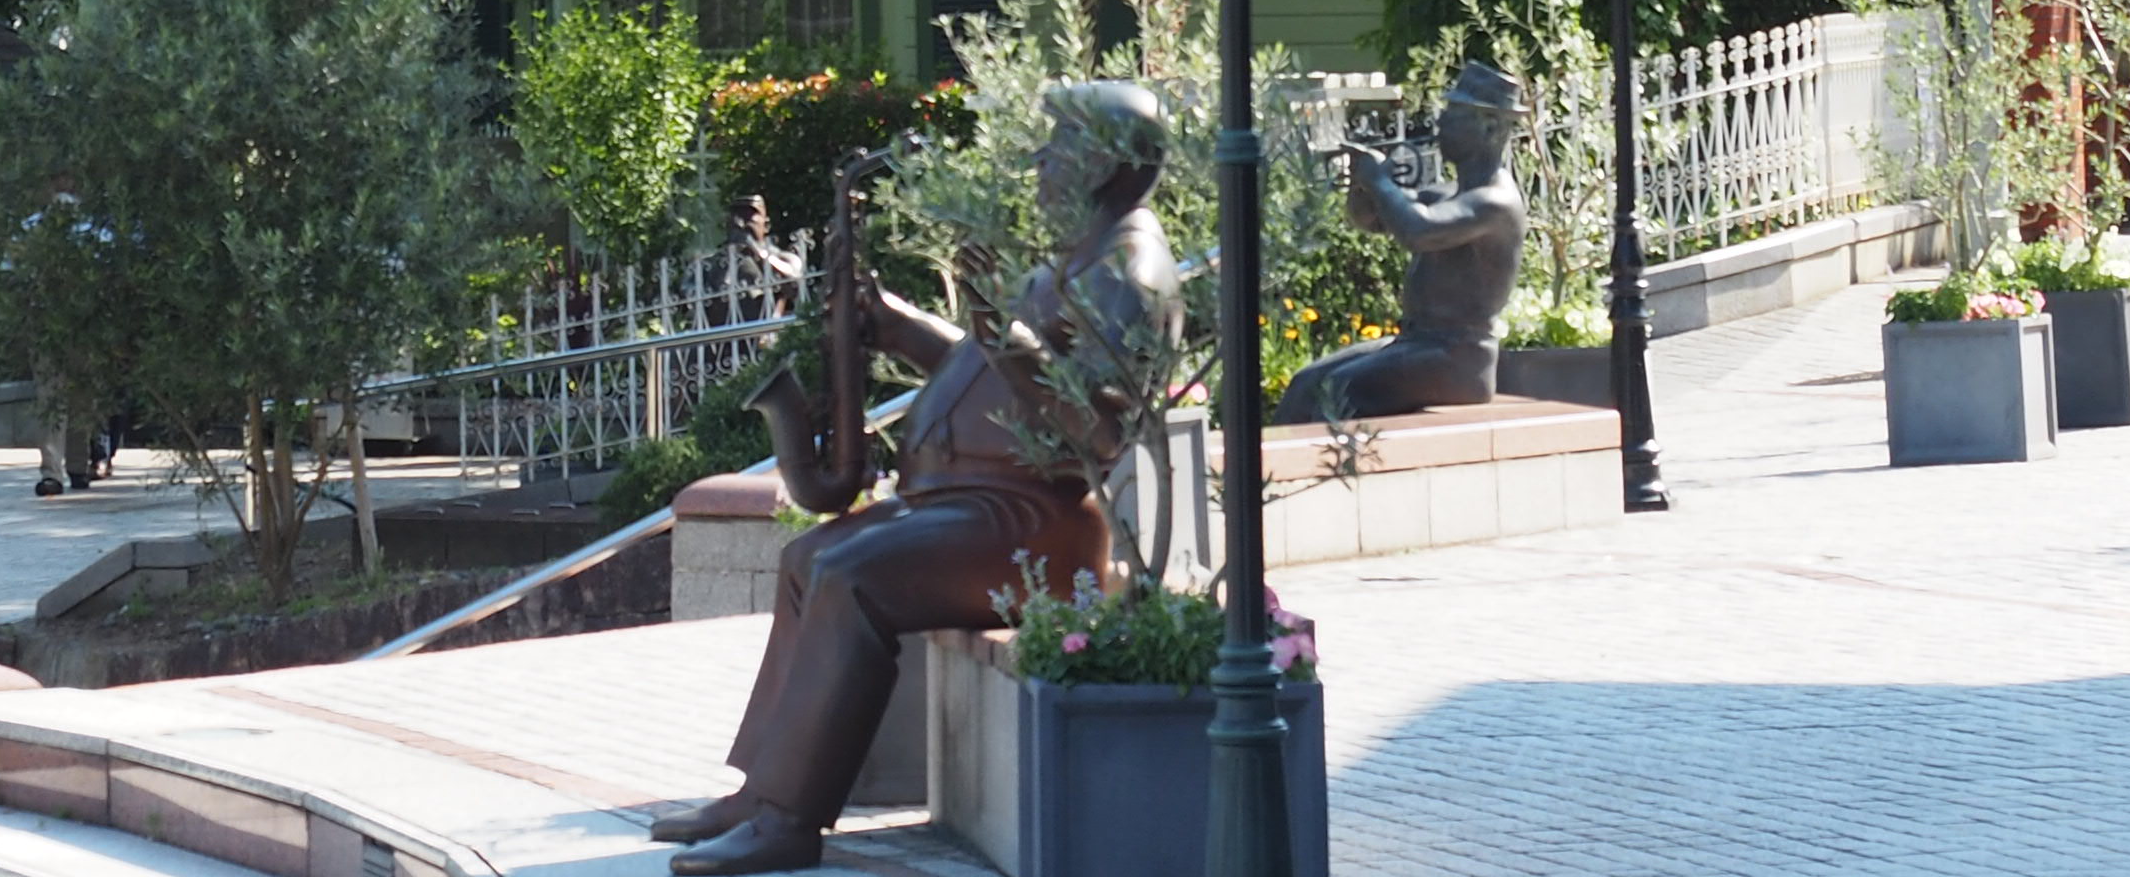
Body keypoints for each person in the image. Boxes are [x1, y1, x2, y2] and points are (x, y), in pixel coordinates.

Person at [643, 80, 1183, 877]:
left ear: (1104, 164)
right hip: (976, 507)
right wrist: (897, 324)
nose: (1039, 160)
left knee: (851, 576)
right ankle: (762, 792)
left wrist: (1000, 326)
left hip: (1035, 526)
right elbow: (991, 369)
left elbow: (1096, 430)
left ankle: (790, 821)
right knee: (805, 559)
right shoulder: (1076, 257)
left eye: (1057, 145)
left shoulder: (1129, 273)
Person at [1275, 55, 1526, 422]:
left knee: (1335, 394)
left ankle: (1324, 475)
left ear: (1489, 127)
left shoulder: (1496, 203)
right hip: (1420, 344)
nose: (1441, 121)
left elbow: (1418, 232)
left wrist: (1379, 182)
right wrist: (1364, 187)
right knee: (1305, 384)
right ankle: (1273, 479)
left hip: (1460, 359)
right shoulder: (1448, 195)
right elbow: (1372, 221)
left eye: (1455, 113)